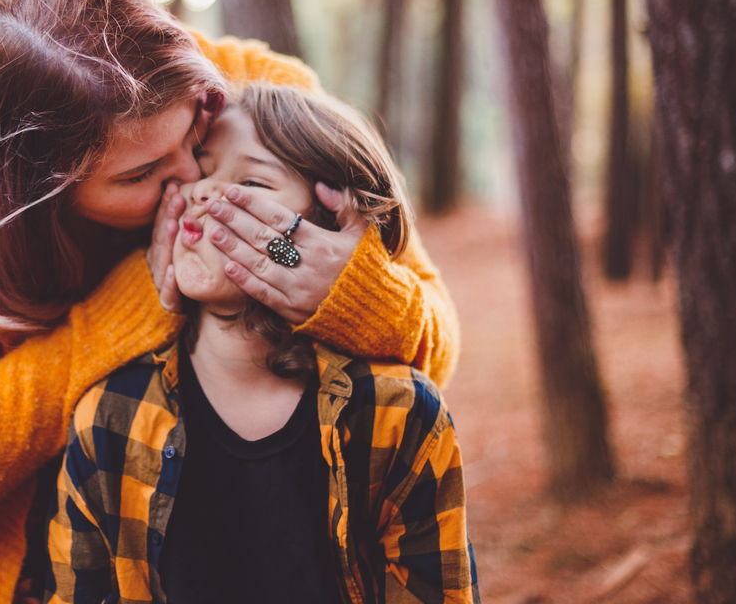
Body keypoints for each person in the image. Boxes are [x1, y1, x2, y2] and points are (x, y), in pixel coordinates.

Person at [0, 0, 461, 604]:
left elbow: (433, 345)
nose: (192, 180)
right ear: (34, 194)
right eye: (140, 175)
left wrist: (355, 297)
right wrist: (120, 318)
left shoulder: (258, 97)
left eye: (196, 133)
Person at [45, 85, 479, 604]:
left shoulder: (396, 415)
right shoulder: (109, 418)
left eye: (250, 182)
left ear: (331, 232)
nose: (205, 193)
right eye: (201, 172)